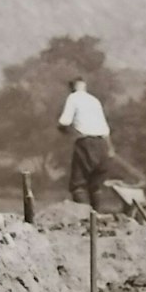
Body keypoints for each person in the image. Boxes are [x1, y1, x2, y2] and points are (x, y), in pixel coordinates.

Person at [57, 78, 112, 208]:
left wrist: (64, 131)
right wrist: (110, 149)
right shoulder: (94, 100)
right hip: (103, 144)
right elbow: (105, 129)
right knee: (95, 185)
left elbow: (64, 122)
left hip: (86, 143)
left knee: (78, 184)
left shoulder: (73, 98)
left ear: (72, 88)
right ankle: (96, 217)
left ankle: (84, 217)